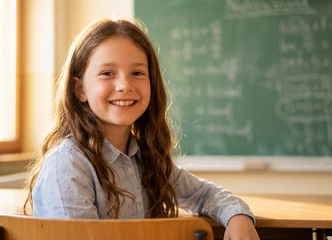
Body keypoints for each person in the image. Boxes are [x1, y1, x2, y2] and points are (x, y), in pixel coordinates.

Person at [24, 19, 260, 240]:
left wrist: (237, 216)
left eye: (137, 73)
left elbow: (205, 194)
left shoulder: (145, 159)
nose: (125, 85)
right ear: (79, 90)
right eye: (107, 73)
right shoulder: (67, 164)